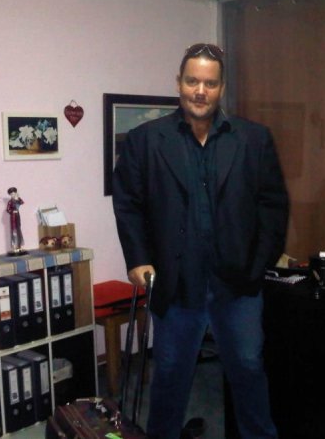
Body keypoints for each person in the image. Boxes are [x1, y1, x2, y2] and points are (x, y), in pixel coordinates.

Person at [112, 43, 288, 439]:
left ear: (222, 87)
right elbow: (128, 205)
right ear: (179, 83)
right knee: (170, 373)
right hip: (176, 282)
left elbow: (273, 206)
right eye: (192, 81)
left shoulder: (253, 139)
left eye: (210, 83)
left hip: (237, 284)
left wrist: (259, 263)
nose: (200, 91)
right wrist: (137, 258)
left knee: (248, 368)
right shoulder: (145, 140)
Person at [6, 187, 24, 254]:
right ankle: (14, 247)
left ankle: (20, 246)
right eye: (11, 194)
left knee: (19, 231)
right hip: (13, 218)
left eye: (14, 193)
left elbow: (22, 202)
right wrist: (12, 211)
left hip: (18, 217)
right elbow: (8, 209)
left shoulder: (17, 200)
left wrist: (18, 198)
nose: (13, 195)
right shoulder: (10, 202)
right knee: (14, 232)